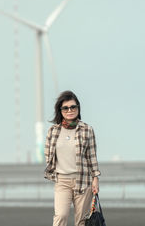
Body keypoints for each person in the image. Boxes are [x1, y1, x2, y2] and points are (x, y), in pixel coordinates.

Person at [44, 90, 101, 226]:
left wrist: (95, 178)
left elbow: (91, 156)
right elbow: (48, 153)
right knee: (61, 216)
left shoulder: (87, 130)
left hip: (83, 180)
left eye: (73, 107)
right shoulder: (53, 131)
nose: (70, 110)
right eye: (65, 108)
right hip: (62, 181)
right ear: (60, 110)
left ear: (78, 108)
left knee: (81, 221)